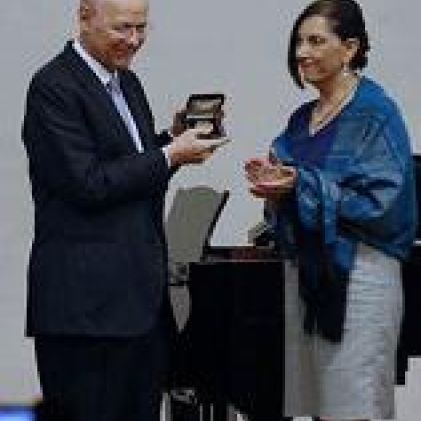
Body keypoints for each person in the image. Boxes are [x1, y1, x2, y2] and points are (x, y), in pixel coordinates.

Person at [21, 0, 224, 420]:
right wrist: (169, 155)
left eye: (141, 28)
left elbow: (131, 170)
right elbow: (88, 183)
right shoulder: (53, 86)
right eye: (121, 28)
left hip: (139, 305)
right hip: (85, 311)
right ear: (84, 16)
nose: (133, 40)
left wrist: (171, 140)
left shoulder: (127, 83)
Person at [245, 0, 416, 420]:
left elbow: (385, 204)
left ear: (350, 48)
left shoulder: (375, 113)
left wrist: (300, 184)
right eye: (299, 42)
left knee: (355, 404)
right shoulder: (301, 119)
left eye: (316, 41)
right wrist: (275, 186)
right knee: (321, 407)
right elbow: (294, 194)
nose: (302, 52)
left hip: (361, 278)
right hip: (310, 280)